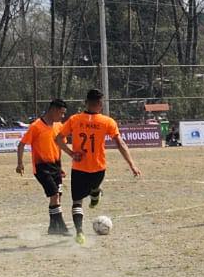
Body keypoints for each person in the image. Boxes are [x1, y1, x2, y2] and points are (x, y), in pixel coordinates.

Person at [56, 89, 141, 245]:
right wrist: (132, 165)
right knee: (93, 189)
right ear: (100, 104)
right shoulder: (107, 121)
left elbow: (58, 138)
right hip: (98, 168)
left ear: (86, 102)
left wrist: (71, 153)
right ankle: (95, 194)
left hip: (79, 168)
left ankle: (80, 233)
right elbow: (120, 143)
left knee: (77, 201)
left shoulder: (75, 119)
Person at [16, 98, 69, 236]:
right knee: (54, 194)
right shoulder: (36, 126)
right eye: (61, 113)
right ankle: (62, 227)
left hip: (56, 166)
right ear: (53, 110)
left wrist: (60, 166)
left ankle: (52, 228)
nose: (62, 116)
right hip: (41, 167)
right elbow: (21, 144)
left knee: (57, 196)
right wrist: (20, 163)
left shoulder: (59, 126)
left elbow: (59, 146)